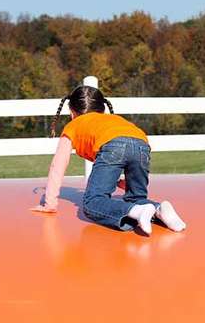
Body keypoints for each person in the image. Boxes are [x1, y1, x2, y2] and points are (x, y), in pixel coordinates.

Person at [31, 85, 186, 235]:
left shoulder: (73, 126)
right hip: (142, 144)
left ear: (72, 113)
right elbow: (125, 150)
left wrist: (49, 204)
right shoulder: (114, 121)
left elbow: (57, 166)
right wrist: (122, 180)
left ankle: (136, 211)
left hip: (113, 146)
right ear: (103, 109)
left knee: (92, 203)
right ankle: (158, 209)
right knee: (136, 197)